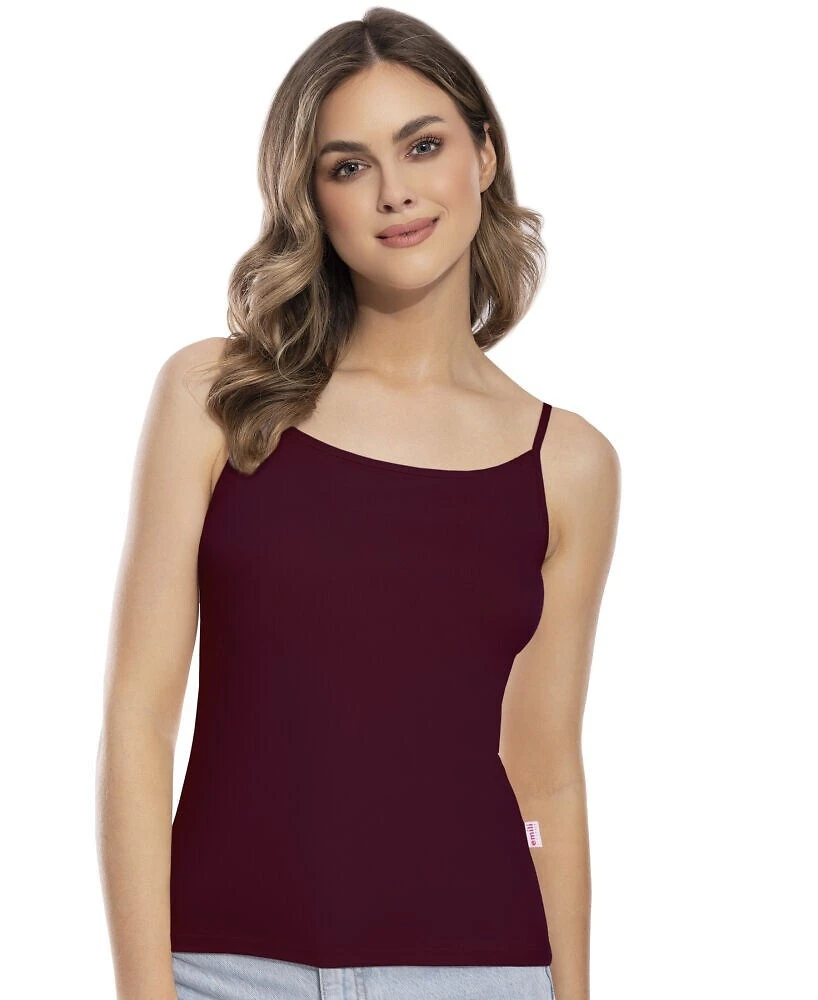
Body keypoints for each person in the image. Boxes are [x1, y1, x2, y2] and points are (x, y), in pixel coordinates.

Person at [96, 8, 620, 1000]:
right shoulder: (217, 395)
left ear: (484, 156)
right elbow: (139, 719)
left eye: (422, 146)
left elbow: (545, 771)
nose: (394, 192)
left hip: (482, 973)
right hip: (225, 971)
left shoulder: (568, 462)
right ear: (311, 197)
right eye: (348, 165)